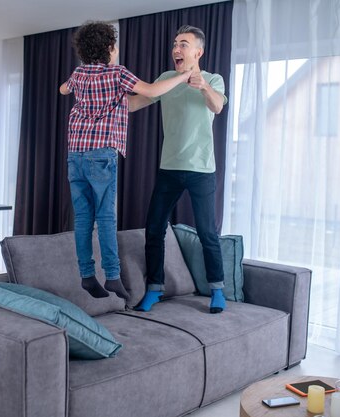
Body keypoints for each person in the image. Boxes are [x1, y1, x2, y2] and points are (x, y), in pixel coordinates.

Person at [60, 21, 191, 299]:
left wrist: (78, 90)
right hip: (102, 155)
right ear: (108, 49)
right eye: (115, 46)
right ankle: (112, 275)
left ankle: (86, 274)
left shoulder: (79, 73)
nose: (117, 50)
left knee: (83, 218)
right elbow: (152, 91)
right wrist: (183, 76)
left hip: (75, 154)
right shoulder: (117, 74)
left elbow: (63, 90)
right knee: (106, 217)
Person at [129, 25, 228, 314]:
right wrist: (101, 101)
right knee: (154, 229)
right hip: (169, 167)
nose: (176, 49)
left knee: (208, 233)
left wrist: (203, 86)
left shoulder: (213, 80)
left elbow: (218, 106)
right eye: (175, 43)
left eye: (183, 44)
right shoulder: (166, 79)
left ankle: (217, 291)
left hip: (201, 169)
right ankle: (154, 289)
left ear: (198, 52)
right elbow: (137, 102)